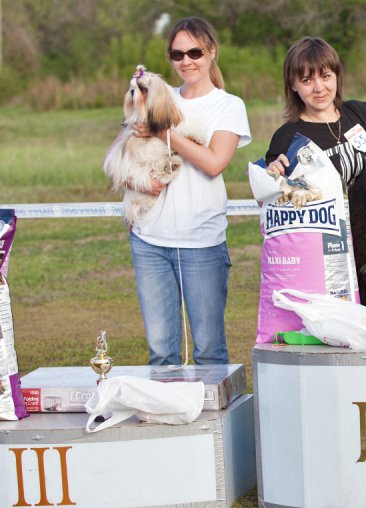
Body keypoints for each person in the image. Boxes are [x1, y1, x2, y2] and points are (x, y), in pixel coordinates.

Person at [121, 17, 251, 365]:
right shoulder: (156, 96)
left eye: (194, 52)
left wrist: (164, 132)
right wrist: (140, 185)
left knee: (209, 349)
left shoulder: (229, 105)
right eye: (177, 55)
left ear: (211, 52)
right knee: (161, 352)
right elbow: (123, 163)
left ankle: (212, 420)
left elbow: (213, 163)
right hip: (149, 240)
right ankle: (168, 418)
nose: (186, 61)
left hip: (201, 241)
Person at [263, 36, 366, 188]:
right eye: (307, 80)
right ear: (293, 84)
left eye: (325, 76)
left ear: (336, 76)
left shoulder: (358, 111)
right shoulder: (286, 137)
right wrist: (272, 178)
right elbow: (267, 200)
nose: (319, 88)